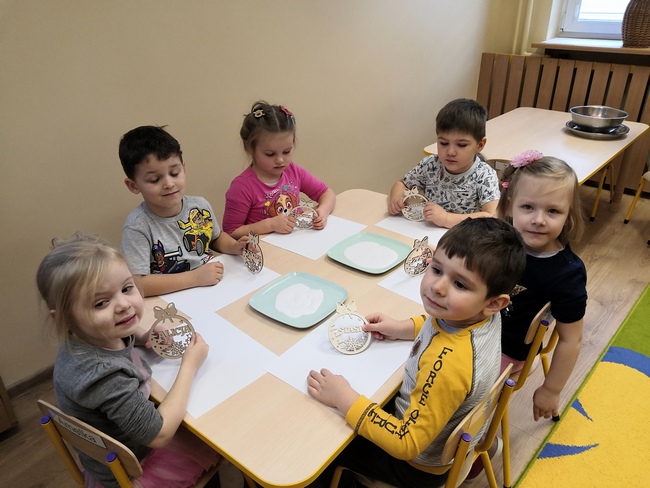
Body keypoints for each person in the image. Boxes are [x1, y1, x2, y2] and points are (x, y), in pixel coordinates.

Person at [307, 217, 526, 488]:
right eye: (437, 269)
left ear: (494, 303)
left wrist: (344, 399)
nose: (438, 287)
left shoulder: (449, 365)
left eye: (460, 284)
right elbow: (439, 322)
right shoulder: (480, 316)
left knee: (322, 449)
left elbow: (406, 443)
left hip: (415, 467)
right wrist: (401, 327)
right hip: (440, 437)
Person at [36, 233, 220, 488]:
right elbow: (159, 434)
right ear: (64, 319)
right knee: (217, 434)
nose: (124, 305)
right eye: (101, 303)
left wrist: (144, 336)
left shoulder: (87, 335)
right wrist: (190, 364)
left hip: (114, 449)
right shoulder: (102, 375)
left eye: (126, 288)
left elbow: (118, 336)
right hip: (135, 468)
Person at [497, 150, 587, 421]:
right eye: (528, 207)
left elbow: (571, 338)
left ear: (568, 215)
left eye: (553, 211)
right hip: (472, 326)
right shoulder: (501, 240)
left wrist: (551, 389)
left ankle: (479, 442)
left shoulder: (567, 274)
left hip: (503, 352)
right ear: (510, 206)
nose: (538, 219)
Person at [119, 125, 248, 297]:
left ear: (183, 168)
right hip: (170, 300)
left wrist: (234, 246)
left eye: (174, 173)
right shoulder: (137, 227)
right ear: (133, 185)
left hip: (212, 289)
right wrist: (195, 278)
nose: (169, 184)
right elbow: (138, 284)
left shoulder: (200, 206)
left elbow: (215, 238)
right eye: (154, 179)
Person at [222, 101, 336, 239]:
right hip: (265, 248)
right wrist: (269, 225)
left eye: (286, 151)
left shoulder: (293, 171)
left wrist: (322, 212)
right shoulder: (242, 187)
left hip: (296, 242)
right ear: (250, 148)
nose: (280, 160)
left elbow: (326, 193)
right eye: (270, 154)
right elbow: (230, 232)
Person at [387, 98, 500, 228]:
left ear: (480, 145)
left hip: (465, 236)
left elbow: (490, 216)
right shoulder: (430, 165)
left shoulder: (485, 175)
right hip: (427, 232)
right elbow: (402, 183)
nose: (450, 152)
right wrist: (396, 198)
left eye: (461, 145)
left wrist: (446, 218)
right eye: (444, 143)